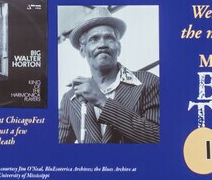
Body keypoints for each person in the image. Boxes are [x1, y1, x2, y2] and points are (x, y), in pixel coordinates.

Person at [58, 12, 159, 143]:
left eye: (109, 38)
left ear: (119, 48)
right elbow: (55, 148)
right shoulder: (70, 98)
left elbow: (157, 137)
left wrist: (102, 101)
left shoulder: (148, 82)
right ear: (83, 51)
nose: (102, 44)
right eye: (94, 39)